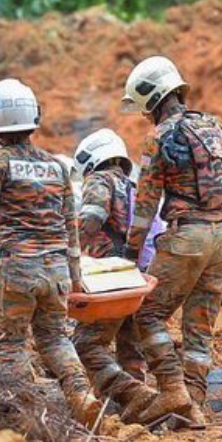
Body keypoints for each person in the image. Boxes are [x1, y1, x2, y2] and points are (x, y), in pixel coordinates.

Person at [0, 79, 103, 427]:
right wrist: (76, 277)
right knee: (55, 338)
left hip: (18, 271)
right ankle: (81, 393)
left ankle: (29, 410)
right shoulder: (56, 166)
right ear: (34, 118)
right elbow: (70, 226)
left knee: (9, 342)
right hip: (56, 269)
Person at [120, 56, 222, 426]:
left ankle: (172, 391)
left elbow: (146, 202)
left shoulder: (158, 137)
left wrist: (129, 254)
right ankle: (192, 406)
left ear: (151, 100)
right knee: (199, 326)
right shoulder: (217, 127)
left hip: (187, 236)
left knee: (145, 316)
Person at [69, 128, 154, 419]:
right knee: (130, 346)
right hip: (133, 275)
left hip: (107, 276)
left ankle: (131, 393)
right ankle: (138, 412)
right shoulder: (133, 186)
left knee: (85, 344)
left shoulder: (99, 179)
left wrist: (65, 244)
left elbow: (91, 218)